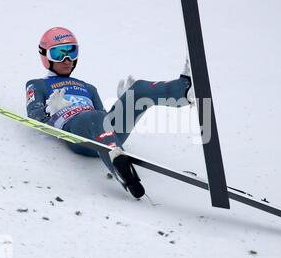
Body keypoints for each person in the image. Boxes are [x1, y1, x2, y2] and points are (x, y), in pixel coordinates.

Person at [26, 27, 193, 199]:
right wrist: (53, 113)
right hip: (77, 136)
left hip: (101, 132)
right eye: (59, 53)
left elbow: (103, 120)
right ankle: (120, 167)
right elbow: (34, 115)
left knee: (138, 90)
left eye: (72, 51)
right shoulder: (37, 84)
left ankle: (184, 89)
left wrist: (124, 104)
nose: (67, 59)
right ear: (45, 55)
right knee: (92, 117)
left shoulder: (88, 87)